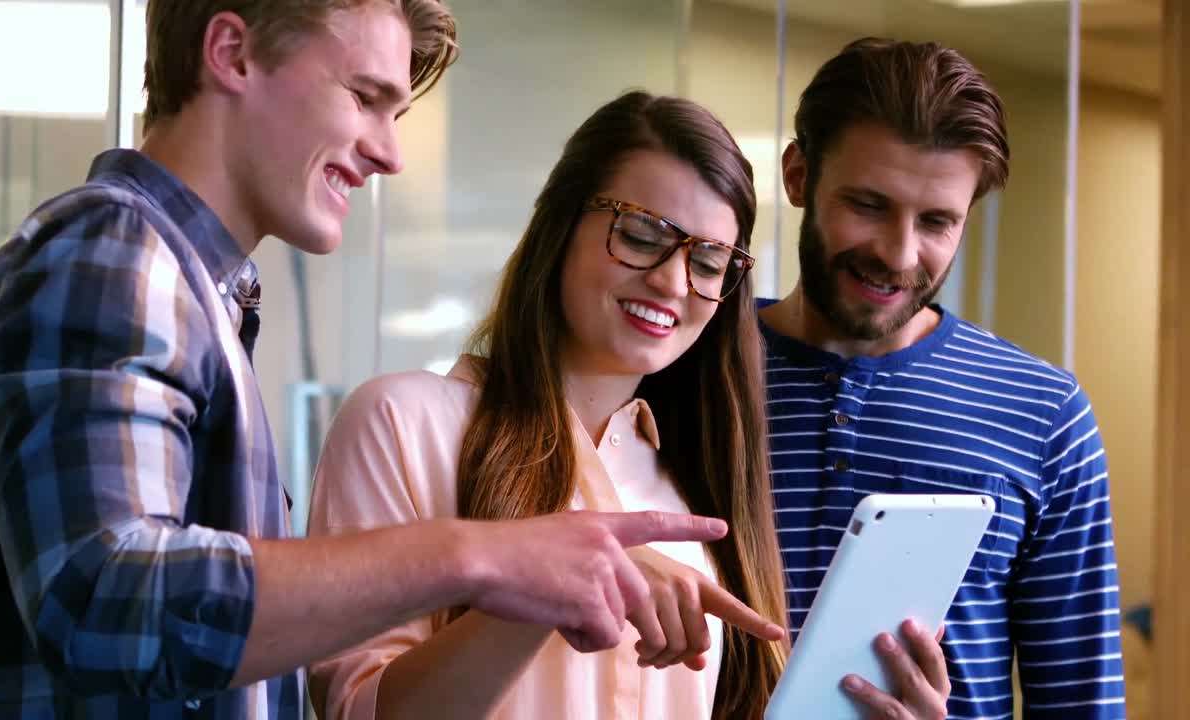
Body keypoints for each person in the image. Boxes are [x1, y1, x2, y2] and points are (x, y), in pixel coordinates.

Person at [0, 3, 735, 718]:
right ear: (232, 53)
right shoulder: (115, 248)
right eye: (365, 97)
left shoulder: (196, 290)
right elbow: (105, 602)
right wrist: (486, 558)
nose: (390, 153)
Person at [307, 90, 952, 720]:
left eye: (710, 262)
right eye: (641, 235)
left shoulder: (698, 481)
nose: (673, 282)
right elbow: (356, 709)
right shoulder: (402, 424)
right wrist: (560, 581)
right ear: (561, 225)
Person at [760, 37, 1127, 719]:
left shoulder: (1045, 413)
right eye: (869, 205)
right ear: (798, 176)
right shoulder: (688, 367)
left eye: (936, 221)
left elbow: (1083, 704)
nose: (900, 254)